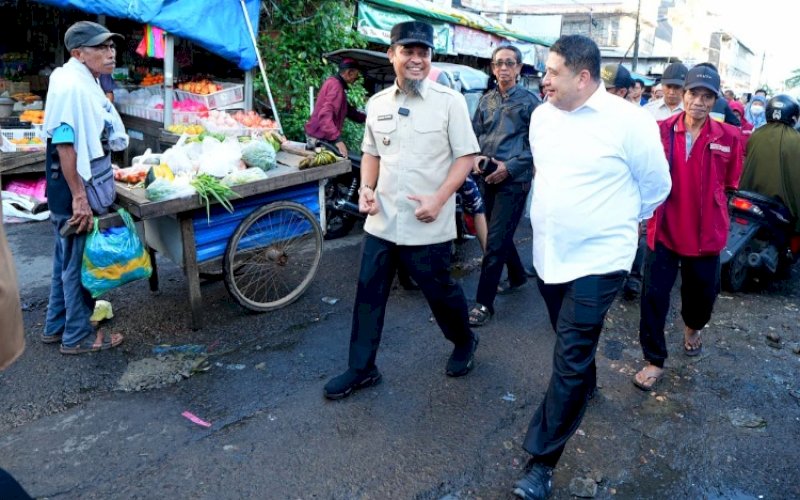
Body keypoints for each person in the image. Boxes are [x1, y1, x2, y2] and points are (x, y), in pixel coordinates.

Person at [512, 35, 671, 500]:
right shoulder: (542, 116)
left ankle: (541, 463)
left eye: (552, 72)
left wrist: (615, 221)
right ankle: (587, 381)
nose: (544, 79)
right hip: (549, 255)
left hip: (601, 259)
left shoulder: (630, 122)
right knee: (570, 342)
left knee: (569, 355)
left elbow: (656, 185)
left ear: (582, 77)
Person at [323, 21, 480, 400]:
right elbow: (372, 153)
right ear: (392, 54)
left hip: (427, 221)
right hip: (382, 220)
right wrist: (366, 188)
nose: (416, 59)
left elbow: (466, 157)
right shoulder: (377, 104)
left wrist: (439, 199)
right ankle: (362, 368)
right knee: (368, 292)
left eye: (423, 52)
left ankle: (464, 340)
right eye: (408, 51)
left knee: (439, 292)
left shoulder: (449, 102)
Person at [633, 65, 743, 391]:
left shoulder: (729, 137)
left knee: (703, 298)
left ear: (715, 101)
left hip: (706, 234)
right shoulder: (659, 131)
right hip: (664, 229)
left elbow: (730, 184)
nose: (699, 101)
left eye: (707, 96)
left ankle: (693, 326)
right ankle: (654, 359)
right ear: (684, 94)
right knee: (653, 297)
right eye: (694, 93)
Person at [41, 21, 128, 355]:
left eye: (111, 46)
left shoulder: (80, 79)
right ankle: (76, 337)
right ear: (78, 53)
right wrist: (80, 197)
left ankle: (55, 327)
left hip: (65, 184)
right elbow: (65, 142)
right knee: (77, 266)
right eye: (101, 47)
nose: (110, 53)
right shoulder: (71, 87)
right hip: (71, 188)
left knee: (64, 260)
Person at [467, 44, 540, 327]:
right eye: (499, 63)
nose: (504, 68)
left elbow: (540, 146)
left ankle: (483, 303)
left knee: (495, 240)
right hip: (487, 176)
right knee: (501, 231)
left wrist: (509, 167)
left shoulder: (531, 103)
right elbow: (474, 135)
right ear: (493, 68)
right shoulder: (486, 100)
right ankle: (518, 275)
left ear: (519, 68)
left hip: (514, 180)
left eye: (510, 63)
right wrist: (476, 157)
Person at [739, 94, 800, 232]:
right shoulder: (796, 139)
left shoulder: (756, 134)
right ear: (794, 117)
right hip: (779, 208)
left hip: (749, 199)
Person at [304, 58, 366, 157]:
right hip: (319, 138)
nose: (356, 79)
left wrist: (366, 118)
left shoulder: (333, 83)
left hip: (320, 136)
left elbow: (348, 110)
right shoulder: (336, 86)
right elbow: (325, 115)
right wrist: (337, 140)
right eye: (356, 76)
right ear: (349, 73)